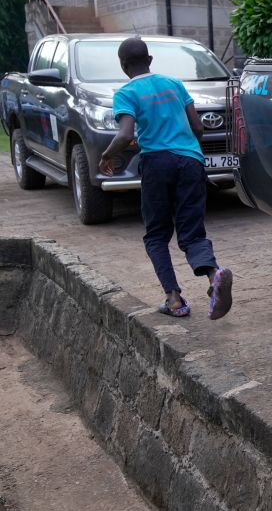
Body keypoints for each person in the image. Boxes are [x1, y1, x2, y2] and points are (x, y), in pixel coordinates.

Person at [98, 37, 233, 319]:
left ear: (123, 66)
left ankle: (174, 300)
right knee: (192, 231)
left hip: (157, 163)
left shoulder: (126, 93)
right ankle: (214, 275)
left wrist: (107, 155)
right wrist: (191, 151)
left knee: (157, 234)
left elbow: (125, 135)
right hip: (191, 161)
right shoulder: (174, 84)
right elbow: (197, 126)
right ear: (150, 60)